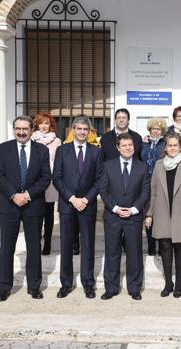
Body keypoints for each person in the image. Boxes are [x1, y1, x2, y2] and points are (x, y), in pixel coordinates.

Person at [0, 116, 51, 302]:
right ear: (13, 129)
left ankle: (34, 286)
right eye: (17, 128)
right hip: (8, 205)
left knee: (34, 247)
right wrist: (14, 195)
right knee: (7, 247)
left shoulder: (41, 150)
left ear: (31, 129)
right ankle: (4, 287)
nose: (21, 132)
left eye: (25, 128)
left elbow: (45, 178)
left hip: (33, 205)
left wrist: (27, 195)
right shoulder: (3, 149)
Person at [52, 117, 102, 299]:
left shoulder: (96, 152)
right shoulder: (62, 150)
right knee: (66, 245)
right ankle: (66, 283)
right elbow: (56, 178)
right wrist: (73, 199)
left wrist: (86, 199)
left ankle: (88, 283)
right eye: (79, 128)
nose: (82, 132)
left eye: (85, 129)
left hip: (87, 206)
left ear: (89, 131)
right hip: (67, 205)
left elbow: (99, 180)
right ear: (72, 129)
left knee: (88, 245)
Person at [145, 133, 181, 298]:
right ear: (165, 147)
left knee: (180, 247)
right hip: (162, 211)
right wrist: (149, 214)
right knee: (165, 247)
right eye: (170, 145)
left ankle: (179, 282)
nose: (172, 148)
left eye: (175, 145)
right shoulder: (159, 165)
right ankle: (168, 282)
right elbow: (153, 192)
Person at [99, 133, 150, 301]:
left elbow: (145, 191)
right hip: (113, 216)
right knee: (112, 253)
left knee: (134, 254)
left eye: (131, 145)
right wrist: (114, 208)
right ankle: (111, 288)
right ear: (118, 147)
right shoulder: (108, 166)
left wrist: (135, 209)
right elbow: (104, 190)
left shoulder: (142, 167)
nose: (128, 148)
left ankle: (134, 288)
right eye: (125, 145)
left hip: (133, 217)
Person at [31, 112, 61, 255]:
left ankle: (47, 242)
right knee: (35, 212)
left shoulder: (57, 141)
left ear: (51, 125)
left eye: (47, 123)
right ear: (37, 124)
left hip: (50, 181)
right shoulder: (31, 140)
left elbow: (58, 162)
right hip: (34, 180)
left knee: (49, 213)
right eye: (41, 123)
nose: (44, 126)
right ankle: (35, 241)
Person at [141, 117, 167, 256]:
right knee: (148, 214)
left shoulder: (165, 143)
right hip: (145, 182)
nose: (155, 131)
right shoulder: (143, 143)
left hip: (161, 182)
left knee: (161, 215)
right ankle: (151, 246)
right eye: (153, 129)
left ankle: (162, 246)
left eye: (158, 129)